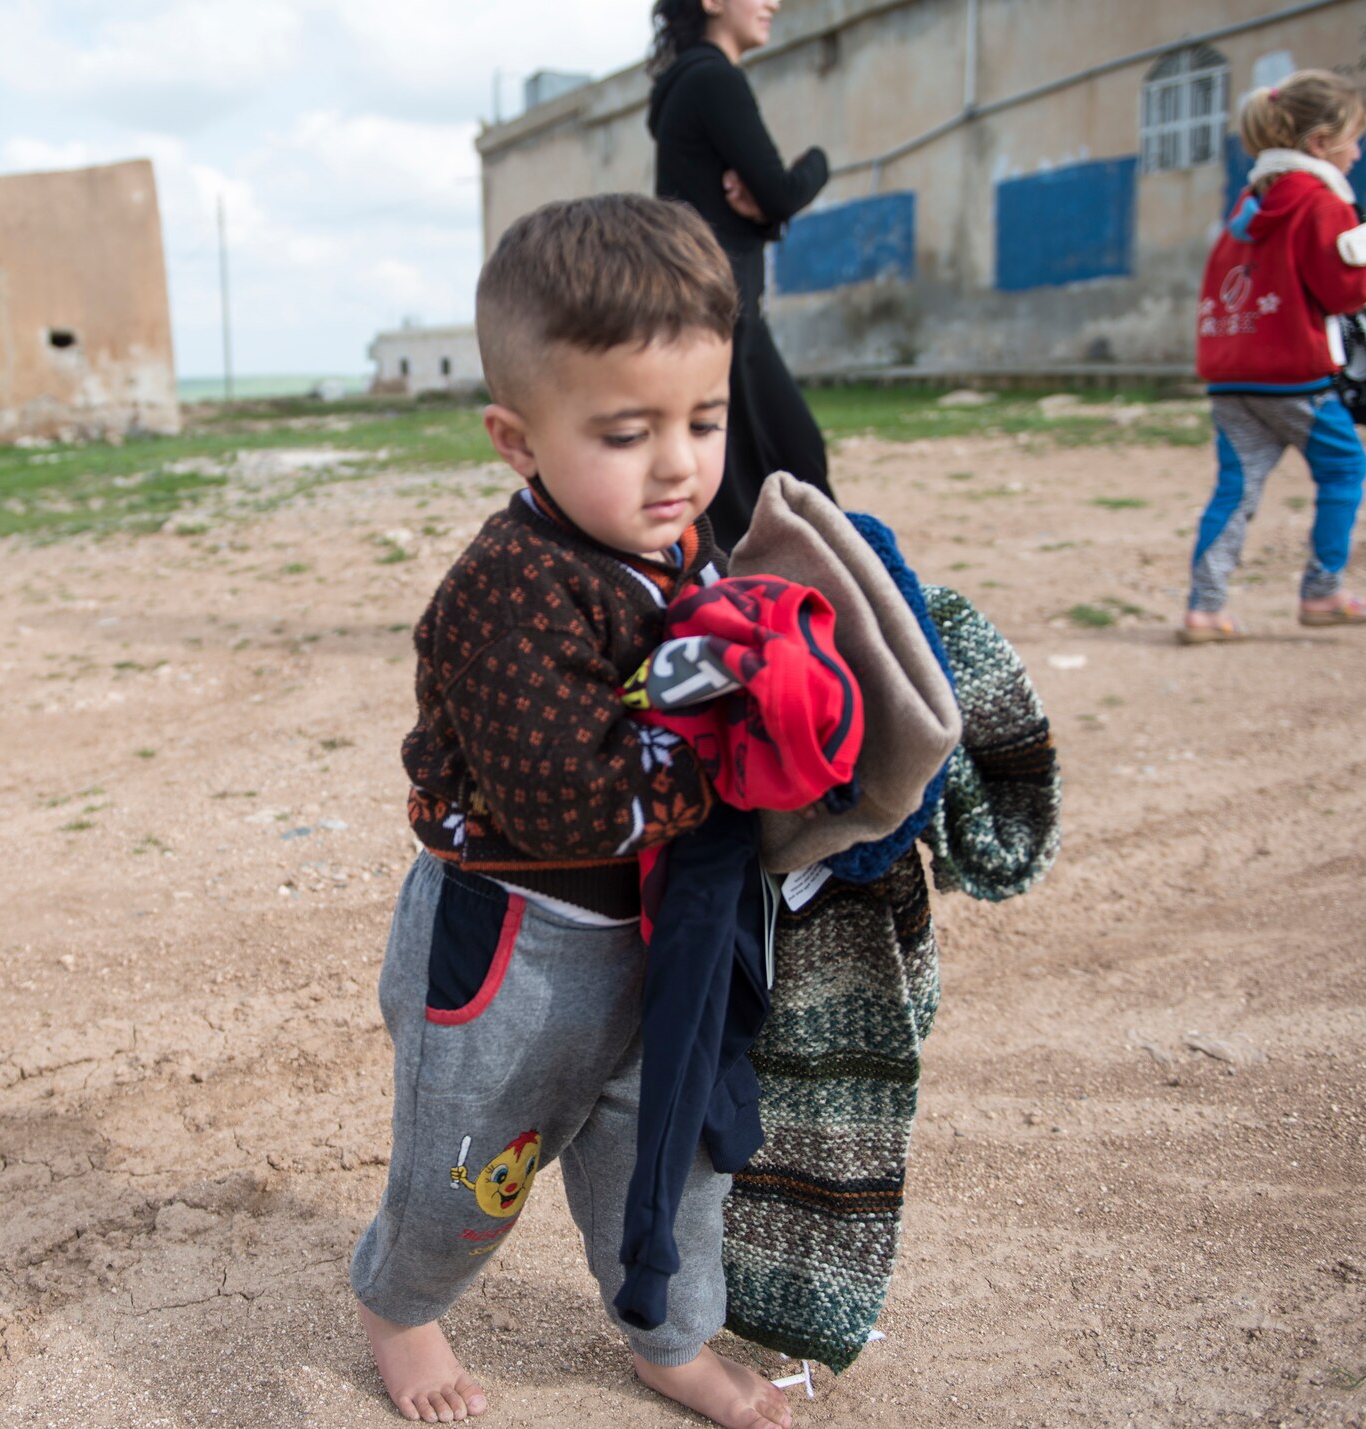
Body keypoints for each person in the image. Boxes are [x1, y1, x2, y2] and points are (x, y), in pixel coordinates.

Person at [350, 193, 797, 1429]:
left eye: (702, 420)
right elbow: (573, 794)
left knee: (672, 1157)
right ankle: (401, 1302)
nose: (676, 463)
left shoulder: (675, 538)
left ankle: (666, 1333)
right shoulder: (507, 590)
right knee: (471, 1166)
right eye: (625, 431)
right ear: (516, 436)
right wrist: (738, 755)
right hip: (514, 945)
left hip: (661, 934)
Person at [1181, 69, 1366, 644]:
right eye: (1353, 139)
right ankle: (1323, 592)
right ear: (1319, 144)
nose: (1357, 153)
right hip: (1296, 376)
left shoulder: (1249, 204)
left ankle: (1204, 609)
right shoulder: (1322, 202)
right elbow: (1344, 290)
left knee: (1236, 489)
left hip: (1232, 374)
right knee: (1344, 468)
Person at [648, 0, 833, 546]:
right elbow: (780, 191)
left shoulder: (685, 85)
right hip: (727, 310)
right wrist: (818, 161)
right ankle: (803, 601)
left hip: (710, 306)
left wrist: (764, 210)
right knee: (787, 466)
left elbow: (760, 202)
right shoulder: (714, 81)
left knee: (751, 471)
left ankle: (773, 597)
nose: (773, 3)